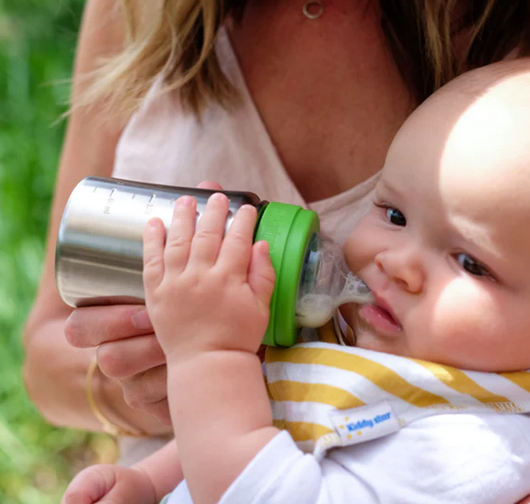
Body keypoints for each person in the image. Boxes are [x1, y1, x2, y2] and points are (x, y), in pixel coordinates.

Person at [23, 0, 530, 470]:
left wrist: (212, 370)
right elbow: (46, 362)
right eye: (392, 215)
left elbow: (268, 484)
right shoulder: (149, 10)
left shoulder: (474, 448)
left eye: (471, 263)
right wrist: (167, 409)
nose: (397, 264)